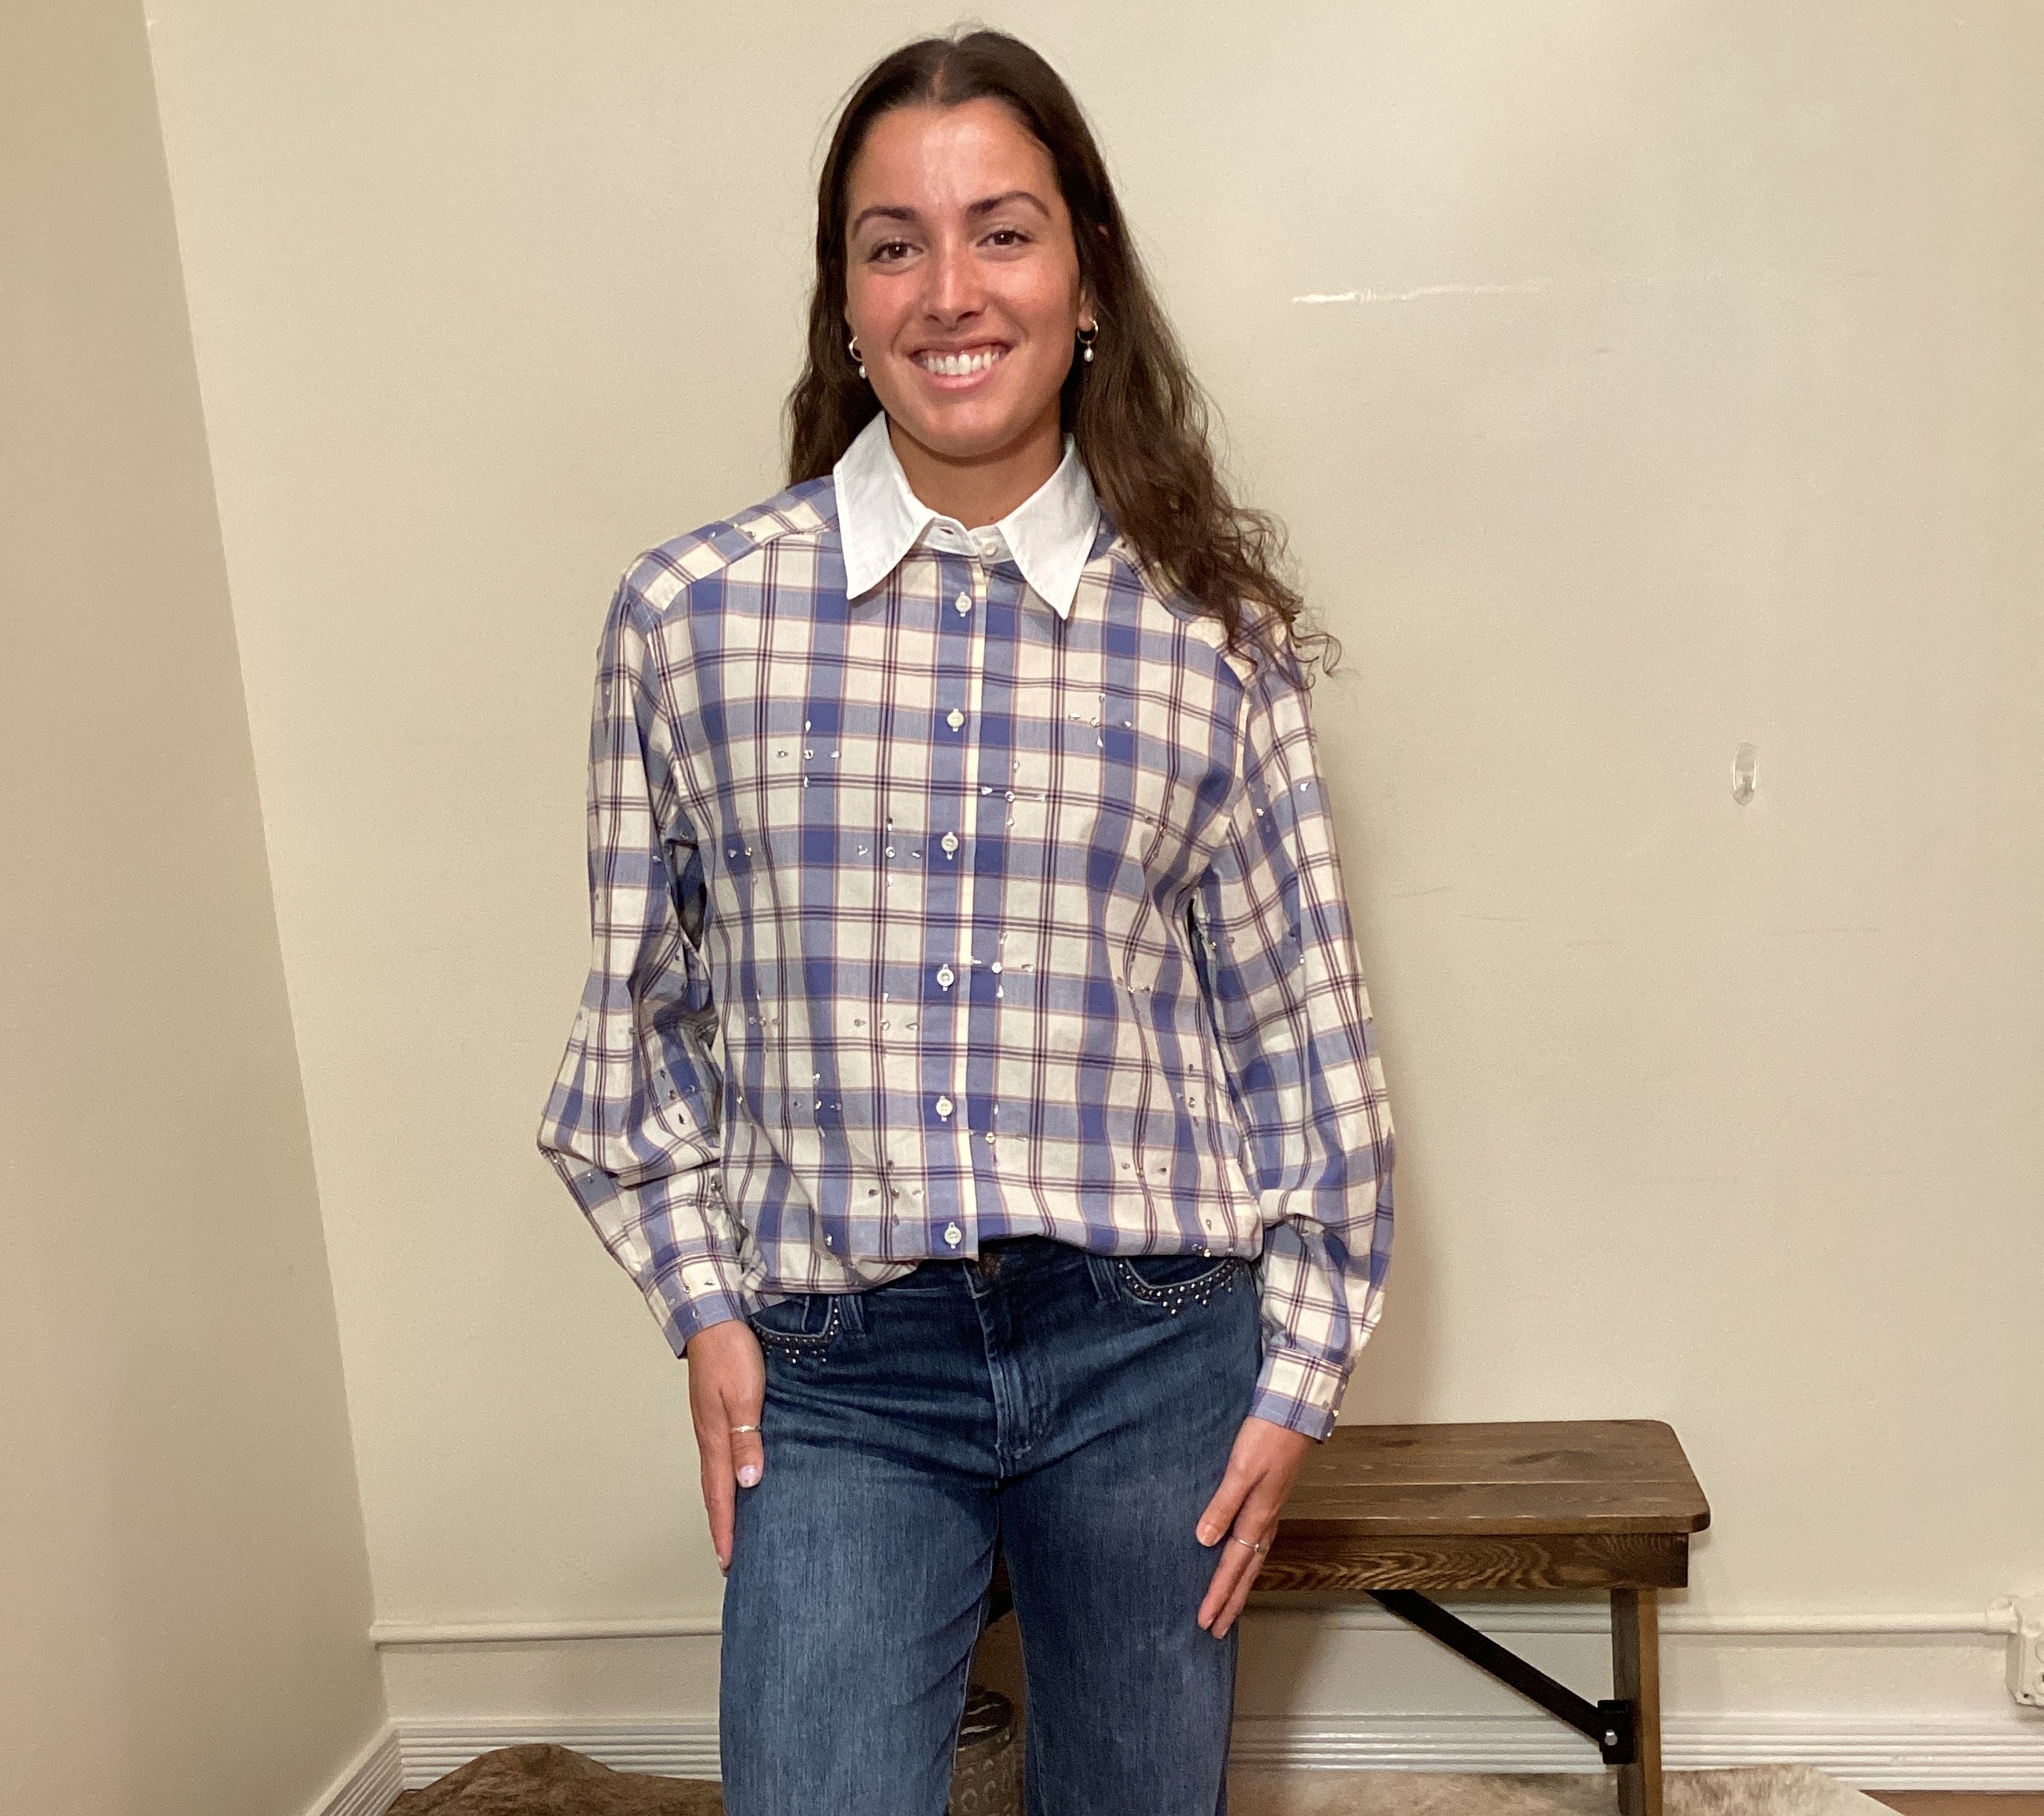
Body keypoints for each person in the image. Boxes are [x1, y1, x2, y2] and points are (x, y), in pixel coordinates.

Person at [537, 28, 1394, 1816]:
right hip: (837, 1373)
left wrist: (1297, 1371)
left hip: (1154, 1347)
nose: (950, 290)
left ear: (1086, 275)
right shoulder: (688, 617)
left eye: (1002, 230)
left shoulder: (1209, 645)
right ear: (845, 303)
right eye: (892, 242)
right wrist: (705, 1306)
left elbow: (1300, 1027)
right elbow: (632, 1031)